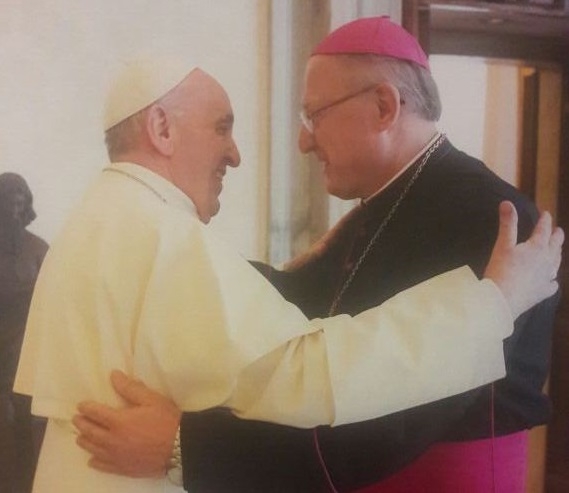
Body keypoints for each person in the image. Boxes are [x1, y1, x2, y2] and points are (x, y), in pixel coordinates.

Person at [17, 56, 560, 493]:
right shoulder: (160, 233)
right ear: (161, 128)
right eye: (222, 127)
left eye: (314, 115)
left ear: (386, 107)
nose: (235, 153)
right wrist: (492, 304)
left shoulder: (104, 216)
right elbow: (311, 371)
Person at [0, 173, 49, 493]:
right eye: (9, 204)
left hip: (27, 350)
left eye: (21, 204)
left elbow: (55, 303)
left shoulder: (38, 249)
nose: (15, 211)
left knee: (28, 424)